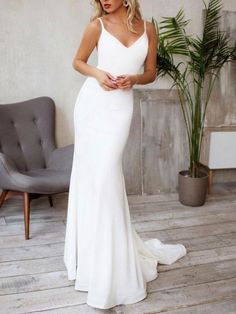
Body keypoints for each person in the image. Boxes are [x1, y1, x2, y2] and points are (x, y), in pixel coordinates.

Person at [64, 0, 187, 310]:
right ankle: (94, 263)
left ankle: (110, 261)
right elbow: (78, 61)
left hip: (120, 108)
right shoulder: (97, 26)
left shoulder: (148, 29)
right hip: (92, 106)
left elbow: (150, 73)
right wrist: (97, 73)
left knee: (107, 178)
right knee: (96, 182)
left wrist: (132, 79)